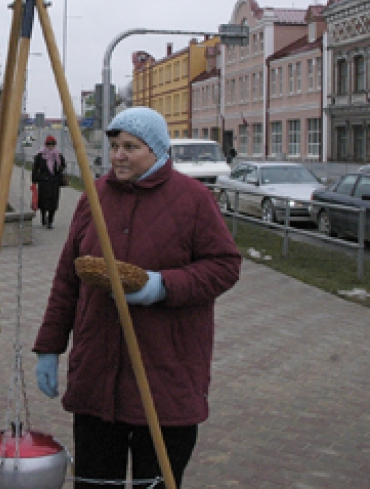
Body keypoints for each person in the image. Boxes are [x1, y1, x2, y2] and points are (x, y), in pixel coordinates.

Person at [33, 108, 241, 488]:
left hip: (164, 377)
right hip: (98, 377)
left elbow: (224, 266)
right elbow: (67, 280)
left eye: (131, 147)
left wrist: (163, 286)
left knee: (156, 481)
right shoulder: (95, 196)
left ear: (157, 150)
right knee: (95, 483)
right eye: (114, 146)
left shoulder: (193, 199)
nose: (118, 155)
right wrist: (50, 346)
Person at [32, 135, 67, 229]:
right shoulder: (40, 155)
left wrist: (59, 168)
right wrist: (34, 180)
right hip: (43, 182)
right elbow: (35, 168)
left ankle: (50, 221)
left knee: (53, 202)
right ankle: (43, 218)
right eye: (49, 144)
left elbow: (63, 165)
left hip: (54, 183)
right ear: (46, 144)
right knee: (43, 201)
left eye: (53, 144)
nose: (51, 146)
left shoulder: (58, 155)